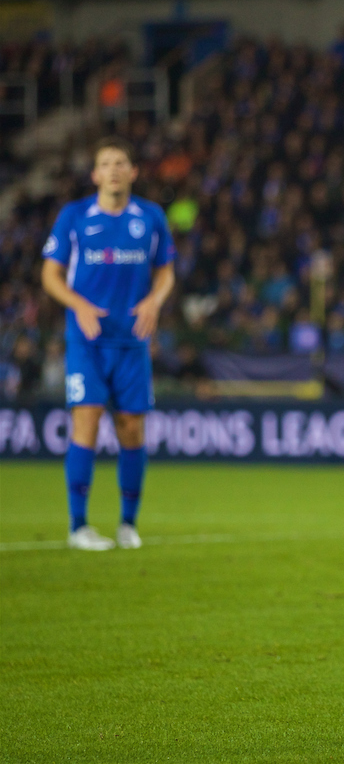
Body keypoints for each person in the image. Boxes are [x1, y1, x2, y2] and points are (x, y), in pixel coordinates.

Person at [41, 136, 175, 551]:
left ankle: (127, 524)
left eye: (121, 162)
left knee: (132, 429)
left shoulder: (150, 218)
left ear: (133, 172)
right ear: (95, 174)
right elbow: (50, 275)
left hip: (131, 343)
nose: (114, 169)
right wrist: (78, 306)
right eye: (106, 163)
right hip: (88, 340)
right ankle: (78, 526)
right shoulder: (75, 216)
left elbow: (166, 271)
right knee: (87, 420)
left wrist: (154, 300)